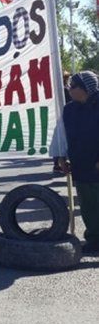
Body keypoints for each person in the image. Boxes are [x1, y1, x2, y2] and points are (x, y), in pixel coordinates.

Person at [59, 71, 99, 253]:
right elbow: (64, 136)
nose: (69, 89)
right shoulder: (69, 109)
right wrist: (61, 156)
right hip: (81, 164)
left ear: (85, 88)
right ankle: (94, 239)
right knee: (88, 205)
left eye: (72, 86)